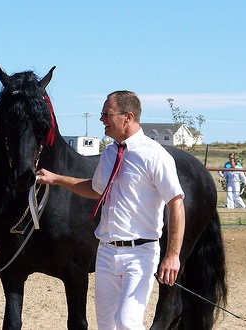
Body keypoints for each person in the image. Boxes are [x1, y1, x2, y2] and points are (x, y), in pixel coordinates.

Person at [36, 91, 185, 329]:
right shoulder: (109, 153)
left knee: (127, 323)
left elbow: (176, 202)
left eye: (107, 114)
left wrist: (173, 255)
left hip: (140, 254)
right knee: (107, 325)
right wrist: (56, 179)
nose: (102, 119)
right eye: (102, 114)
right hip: (105, 253)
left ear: (127, 117)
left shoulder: (155, 155)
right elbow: (96, 190)